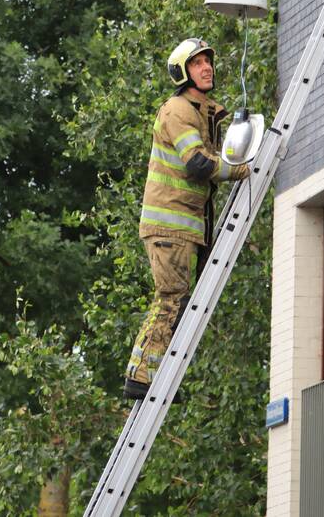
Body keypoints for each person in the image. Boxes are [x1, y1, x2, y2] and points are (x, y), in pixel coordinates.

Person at [123, 38, 250, 400]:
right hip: (170, 226)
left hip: (184, 228)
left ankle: (155, 375)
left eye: (208, 61)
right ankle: (141, 376)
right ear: (182, 71)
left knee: (176, 303)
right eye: (197, 63)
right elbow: (197, 163)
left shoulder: (202, 111)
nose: (207, 67)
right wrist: (241, 169)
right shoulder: (178, 110)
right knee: (170, 300)